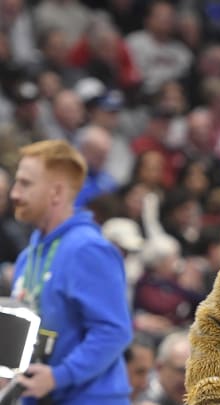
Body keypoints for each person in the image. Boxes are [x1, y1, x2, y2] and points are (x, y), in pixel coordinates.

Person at [9, 139, 133, 404]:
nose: (14, 194)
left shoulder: (88, 249)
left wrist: (59, 376)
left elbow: (114, 330)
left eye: (25, 184)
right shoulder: (26, 257)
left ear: (56, 193)